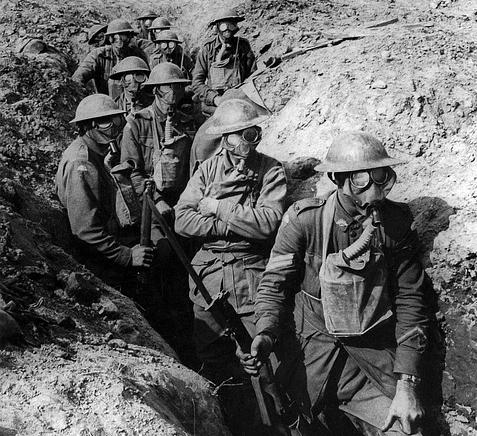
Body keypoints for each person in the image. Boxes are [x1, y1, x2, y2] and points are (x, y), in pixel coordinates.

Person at [243, 131, 432, 435]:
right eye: (360, 178)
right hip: (308, 357)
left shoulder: (395, 225)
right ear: (338, 178)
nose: (373, 187)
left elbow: (411, 301)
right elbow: (274, 284)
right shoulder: (306, 220)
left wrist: (406, 384)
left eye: (380, 175)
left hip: (369, 363)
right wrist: (265, 332)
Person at [174, 98, 287, 435]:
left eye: (254, 132)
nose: (251, 140)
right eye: (242, 134)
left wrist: (217, 209)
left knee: (264, 362)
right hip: (208, 275)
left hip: (251, 275)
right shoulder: (206, 170)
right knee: (214, 358)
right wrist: (231, 224)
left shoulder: (271, 170)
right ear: (225, 138)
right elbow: (182, 220)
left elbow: (267, 223)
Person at [55, 94, 153, 287]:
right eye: (105, 122)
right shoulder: (82, 163)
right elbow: (85, 229)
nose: (114, 126)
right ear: (89, 125)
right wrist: (126, 255)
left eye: (116, 119)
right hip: (95, 258)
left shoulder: (96, 153)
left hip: (105, 242)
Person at [191, 8, 256, 116]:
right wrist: (215, 98)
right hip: (215, 106)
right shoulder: (208, 49)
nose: (227, 30)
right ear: (217, 27)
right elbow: (197, 83)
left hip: (239, 102)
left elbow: (252, 75)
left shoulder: (243, 46)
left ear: (236, 27)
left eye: (231, 25)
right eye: (223, 26)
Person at [72, 19, 148, 98]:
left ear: (129, 37)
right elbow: (77, 78)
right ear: (110, 39)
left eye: (123, 35)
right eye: (115, 37)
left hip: (135, 102)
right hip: (107, 104)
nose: (119, 39)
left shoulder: (138, 54)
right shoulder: (98, 55)